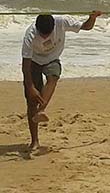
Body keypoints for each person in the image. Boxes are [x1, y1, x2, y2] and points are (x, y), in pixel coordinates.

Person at [22, 12, 102, 151]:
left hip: (52, 59)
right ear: (37, 28)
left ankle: (42, 110)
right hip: (34, 62)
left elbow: (85, 27)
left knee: (53, 76)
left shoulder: (62, 22)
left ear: (54, 26)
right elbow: (26, 64)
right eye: (42, 34)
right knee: (31, 101)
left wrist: (92, 18)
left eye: (48, 34)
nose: (45, 37)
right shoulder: (30, 35)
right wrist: (30, 87)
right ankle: (34, 141)